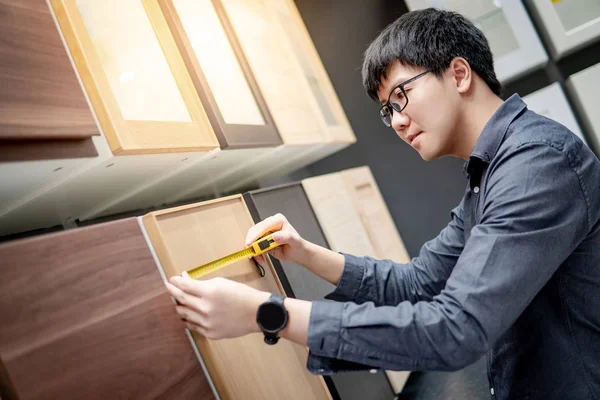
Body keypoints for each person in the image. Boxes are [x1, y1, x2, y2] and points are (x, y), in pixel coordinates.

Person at [165, 8, 600, 400]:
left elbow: (455, 330)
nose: (396, 121)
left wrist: (267, 314)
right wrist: (305, 254)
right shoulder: (495, 170)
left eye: (401, 96)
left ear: (460, 73)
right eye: (387, 111)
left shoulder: (535, 165)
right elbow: (417, 284)